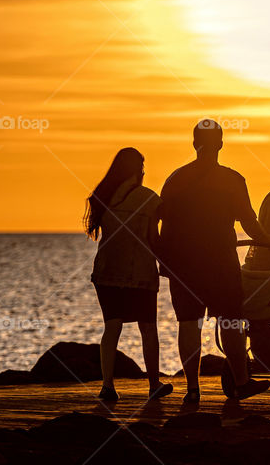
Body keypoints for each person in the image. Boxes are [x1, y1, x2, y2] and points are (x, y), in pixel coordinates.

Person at [159, 119, 270, 402]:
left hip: (183, 265)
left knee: (188, 323)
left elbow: (161, 219)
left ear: (193, 143)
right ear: (221, 144)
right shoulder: (232, 180)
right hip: (220, 263)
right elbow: (249, 222)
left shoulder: (175, 179)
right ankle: (241, 381)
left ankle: (192, 389)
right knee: (232, 321)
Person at [84, 147, 173, 401]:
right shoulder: (149, 199)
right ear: (139, 170)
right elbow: (154, 240)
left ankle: (107, 386)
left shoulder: (103, 197)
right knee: (148, 329)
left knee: (111, 327)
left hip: (106, 273)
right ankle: (154, 385)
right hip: (140, 275)